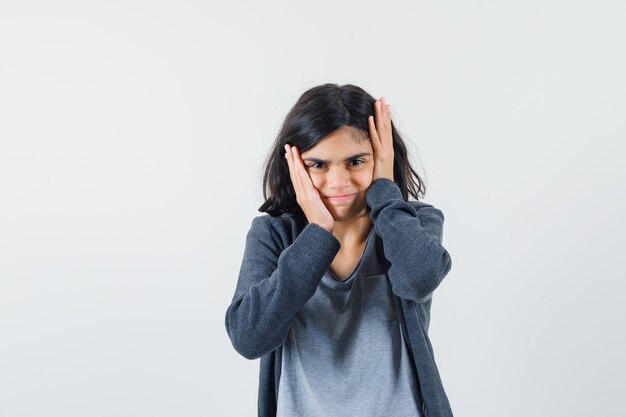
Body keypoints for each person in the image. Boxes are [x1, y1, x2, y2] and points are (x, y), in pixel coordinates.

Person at [225, 83, 454, 417]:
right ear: (294, 166)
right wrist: (317, 233)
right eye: (317, 165)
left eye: (356, 161)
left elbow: (418, 278)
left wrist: (385, 194)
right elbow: (249, 337)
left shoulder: (413, 222)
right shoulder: (274, 233)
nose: (338, 181)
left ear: (382, 157)